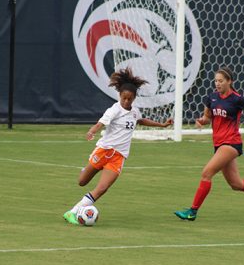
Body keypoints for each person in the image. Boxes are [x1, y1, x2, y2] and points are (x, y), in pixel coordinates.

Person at [63, 67, 173, 225]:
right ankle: (87, 169)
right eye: (124, 98)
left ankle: (72, 212)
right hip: (103, 150)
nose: (126, 101)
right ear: (119, 95)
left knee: (102, 188)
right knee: (82, 181)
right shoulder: (114, 110)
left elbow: (141, 120)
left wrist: (162, 125)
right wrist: (92, 131)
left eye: (130, 99)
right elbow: (101, 122)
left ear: (134, 98)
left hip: (118, 157)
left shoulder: (134, 112)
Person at [174, 67, 244, 221]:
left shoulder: (237, 99)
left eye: (221, 81)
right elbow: (207, 117)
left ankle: (192, 211)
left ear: (229, 81)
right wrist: (202, 121)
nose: (217, 84)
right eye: (216, 81)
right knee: (236, 184)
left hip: (231, 143)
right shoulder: (211, 98)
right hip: (219, 144)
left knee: (206, 173)